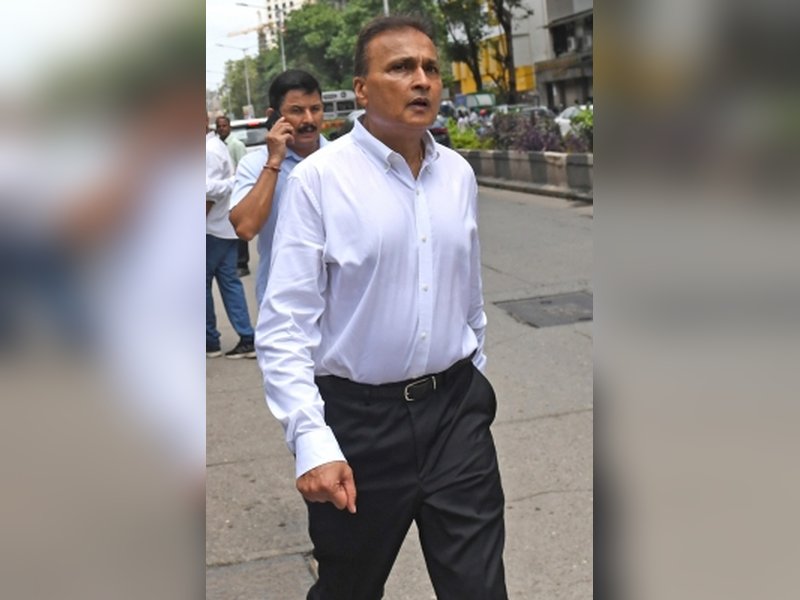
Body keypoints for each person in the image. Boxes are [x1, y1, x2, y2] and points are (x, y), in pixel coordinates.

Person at [257, 15, 507, 599]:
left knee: (479, 588)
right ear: (362, 89)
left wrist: (472, 378)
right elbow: (286, 322)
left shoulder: (458, 175)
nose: (422, 80)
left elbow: (467, 294)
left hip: (455, 417)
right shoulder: (319, 180)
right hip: (359, 427)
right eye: (401, 67)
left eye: (430, 68)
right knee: (349, 586)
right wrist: (311, 440)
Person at [229, 69, 327, 307]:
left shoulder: (343, 159)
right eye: (297, 111)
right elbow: (245, 228)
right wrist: (274, 162)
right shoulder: (255, 165)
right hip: (283, 304)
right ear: (273, 116)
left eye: (315, 109)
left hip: (341, 301)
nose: (309, 120)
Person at [206, 115, 256, 358]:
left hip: (209, 229)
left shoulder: (207, 151)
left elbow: (207, 194)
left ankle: (210, 341)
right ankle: (246, 337)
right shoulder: (216, 146)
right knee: (230, 284)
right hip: (223, 227)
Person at [215, 115, 250, 278]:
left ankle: (242, 263)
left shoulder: (236, 145)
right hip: (224, 194)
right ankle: (232, 262)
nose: (221, 128)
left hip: (237, 191)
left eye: (224, 125)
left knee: (239, 228)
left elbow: (243, 169)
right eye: (219, 126)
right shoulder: (216, 146)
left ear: (229, 127)